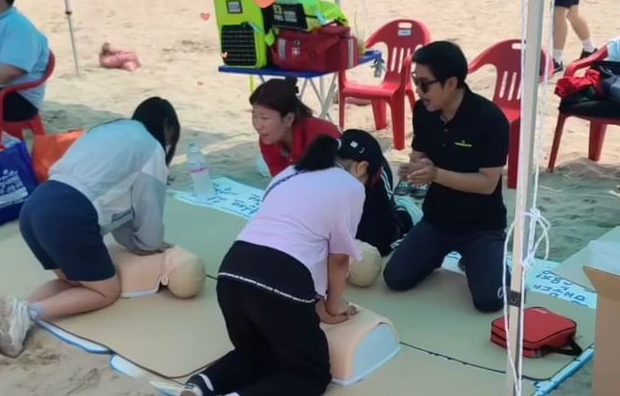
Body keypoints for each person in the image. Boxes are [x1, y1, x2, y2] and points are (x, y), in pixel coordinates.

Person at [180, 130, 383, 396]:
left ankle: (198, 387)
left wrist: (315, 304)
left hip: (232, 270)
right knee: (310, 374)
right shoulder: (351, 186)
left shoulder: (290, 173)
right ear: (362, 168)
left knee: (258, 353)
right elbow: (339, 257)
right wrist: (332, 307)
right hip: (280, 278)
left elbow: (293, 237)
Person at [0, 97, 180, 358]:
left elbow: (116, 201)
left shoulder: (108, 130)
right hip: (69, 213)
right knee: (105, 292)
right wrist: (147, 245)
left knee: (74, 281)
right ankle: (29, 313)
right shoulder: (151, 147)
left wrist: (132, 242)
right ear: (167, 124)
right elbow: (147, 204)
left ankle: (12, 312)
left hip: (36, 205)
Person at [383, 41, 510, 313]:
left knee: (490, 301)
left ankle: (487, 258)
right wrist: (415, 169)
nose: (419, 90)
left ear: (451, 83)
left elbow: (487, 184)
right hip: (437, 221)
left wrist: (436, 174)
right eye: (415, 81)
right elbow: (419, 156)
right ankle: (439, 255)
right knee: (395, 279)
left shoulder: (490, 120)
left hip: (481, 226)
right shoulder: (423, 111)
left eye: (425, 84)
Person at [250, 78, 414, 256]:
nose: (258, 124)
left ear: (288, 119)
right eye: (254, 115)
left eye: (264, 118)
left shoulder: (318, 136)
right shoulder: (268, 139)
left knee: (375, 246)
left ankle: (404, 214)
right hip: (329, 189)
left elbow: (335, 184)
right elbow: (284, 186)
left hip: (367, 178)